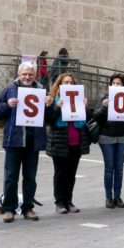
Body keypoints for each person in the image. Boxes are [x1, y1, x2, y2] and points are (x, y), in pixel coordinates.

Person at [0, 62, 52, 222]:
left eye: (30, 74)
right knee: (11, 177)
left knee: (30, 177)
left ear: (35, 75)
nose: (27, 77)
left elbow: (49, 117)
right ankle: (9, 209)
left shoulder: (41, 90)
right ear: (19, 75)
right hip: (14, 140)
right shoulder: (9, 90)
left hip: (33, 141)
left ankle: (28, 208)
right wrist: (7, 105)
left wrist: (49, 105)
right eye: (24, 74)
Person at [45, 73, 91, 214]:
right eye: (65, 82)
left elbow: (88, 120)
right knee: (60, 173)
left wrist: (86, 108)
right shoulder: (53, 100)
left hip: (76, 142)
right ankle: (59, 202)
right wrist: (57, 107)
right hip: (60, 142)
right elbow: (49, 120)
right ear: (59, 85)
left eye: (71, 82)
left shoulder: (78, 100)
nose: (69, 85)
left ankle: (68, 201)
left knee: (71, 174)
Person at [94, 73, 124, 209]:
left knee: (119, 168)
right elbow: (96, 117)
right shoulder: (104, 98)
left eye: (119, 83)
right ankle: (108, 197)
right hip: (106, 136)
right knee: (109, 167)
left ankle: (117, 196)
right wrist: (104, 107)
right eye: (114, 83)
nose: (116, 85)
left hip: (123, 135)